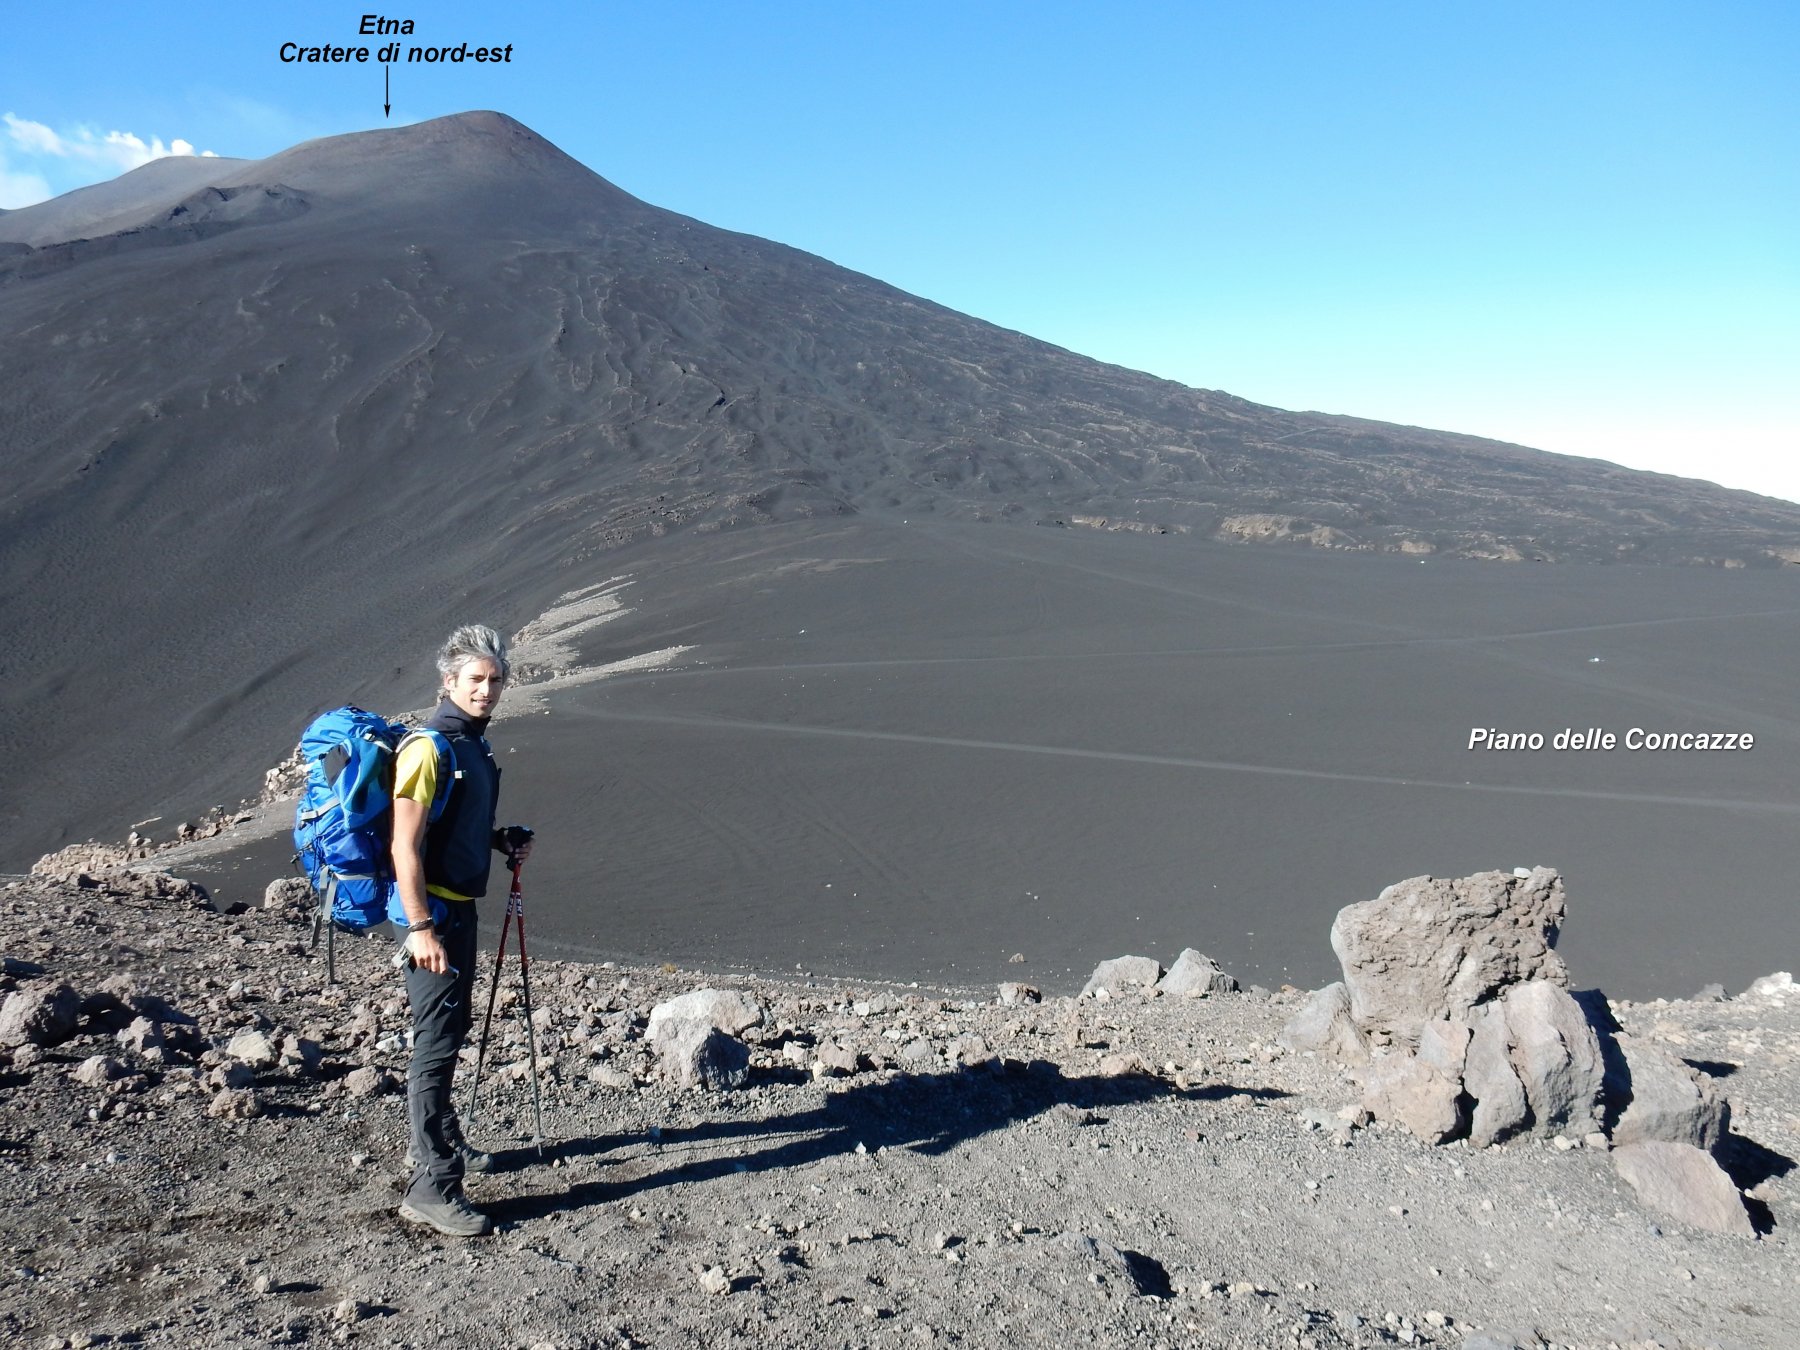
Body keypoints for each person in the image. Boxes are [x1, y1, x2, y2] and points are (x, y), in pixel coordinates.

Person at [391, 623, 533, 1237]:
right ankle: (432, 1185)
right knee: (436, 1044)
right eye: (476, 680)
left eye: (495, 680)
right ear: (449, 682)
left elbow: (458, 827)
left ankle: (442, 1146)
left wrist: (500, 840)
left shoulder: (473, 745)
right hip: (436, 918)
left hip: (458, 909)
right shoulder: (429, 748)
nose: (487, 690)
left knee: (448, 1032)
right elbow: (405, 846)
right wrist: (421, 928)